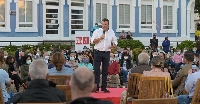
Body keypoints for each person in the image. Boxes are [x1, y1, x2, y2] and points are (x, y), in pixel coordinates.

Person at [91, 18, 117, 93]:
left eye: (105, 24)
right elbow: (92, 41)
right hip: (97, 52)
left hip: (106, 52)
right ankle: (96, 87)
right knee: (96, 70)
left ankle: (104, 87)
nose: (104, 26)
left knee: (105, 71)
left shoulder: (111, 32)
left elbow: (115, 41)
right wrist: (100, 38)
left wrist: (114, 45)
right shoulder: (97, 31)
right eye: (102, 24)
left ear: (108, 24)